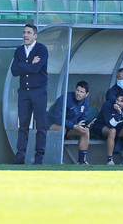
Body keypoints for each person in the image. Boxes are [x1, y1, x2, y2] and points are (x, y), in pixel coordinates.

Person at [9, 24, 48, 165]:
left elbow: (36, 68)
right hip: (24, 92)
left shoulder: (41, 49)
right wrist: (29, 64)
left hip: (39, 91)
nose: (25, 35)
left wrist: (23, 65)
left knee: (41, 125)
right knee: (23, 125)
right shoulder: (19, 50)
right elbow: (14, 70)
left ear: (35, 35)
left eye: (29, 33)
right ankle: (20, 157)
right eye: (24, 32)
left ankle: (39, 158)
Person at [47, 81, 90, 164]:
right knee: (62, 129)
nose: (78, 94)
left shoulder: (86, 102)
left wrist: (82, 124)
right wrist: (74, 126)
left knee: (86, 131)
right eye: (77, 90)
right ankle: (56, 159)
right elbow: (58, 119)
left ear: (86, 94)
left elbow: (83, 117)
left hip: (69, 126)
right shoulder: (65, 98)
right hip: (51, 123)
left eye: (82, 92)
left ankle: (81, 161)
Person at [91, 90, 123, 165]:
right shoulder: (108, 105)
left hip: (118, 127)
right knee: (112, 131)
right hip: (101, 126)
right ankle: (110, 160)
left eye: (122, 101)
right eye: (117, 100)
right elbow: (110, 124)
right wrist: (119, 113)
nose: (118, 103)